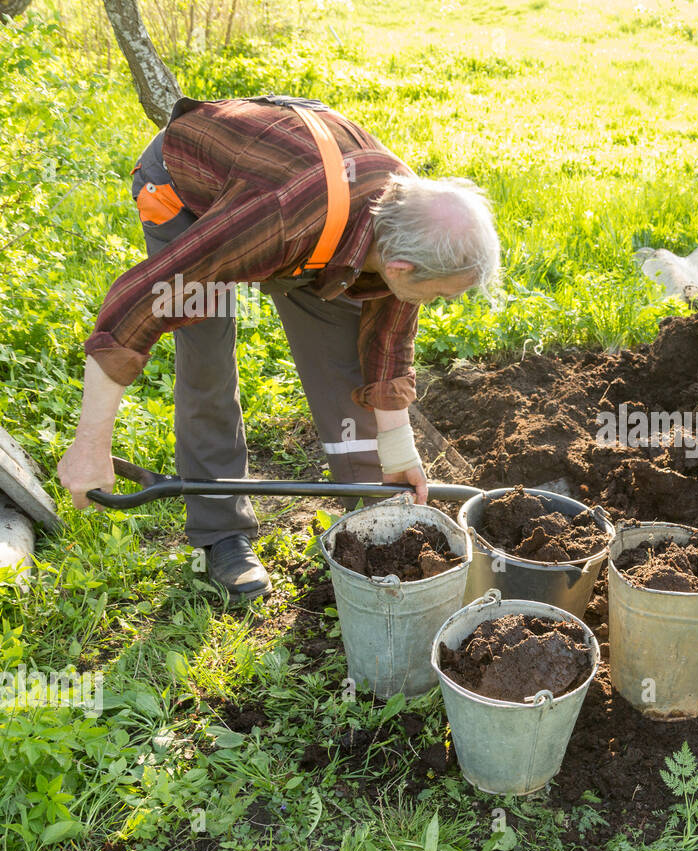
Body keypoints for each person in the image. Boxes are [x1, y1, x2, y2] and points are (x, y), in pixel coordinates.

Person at [57, 95, 499, 600]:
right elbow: (135, 309)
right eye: (440, 293)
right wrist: (91, 445)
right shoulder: (280, 215)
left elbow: (386, 343)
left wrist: (399, 453)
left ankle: (375, 522)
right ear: (400, 268)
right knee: (207, 362)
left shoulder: (409, 219)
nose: (439, 303)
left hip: (318, 228)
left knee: (346, 364)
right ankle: (220, 538)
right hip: (196, 196)